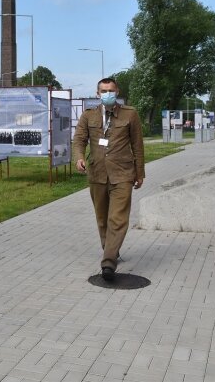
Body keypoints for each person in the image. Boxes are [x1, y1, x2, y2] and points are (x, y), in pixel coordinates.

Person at [73, 78, 145, 281]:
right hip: (97, 174)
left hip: (122, 174)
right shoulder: (89, 115)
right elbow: (79, 139)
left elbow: (137, 146)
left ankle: (108, 262)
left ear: (117, 91)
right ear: (98, 93)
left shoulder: (130, 114)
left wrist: (140, 173)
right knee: (102, 218)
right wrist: (79, 157)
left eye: (111, 90)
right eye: (103, 91)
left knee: (118, 218)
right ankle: (110, 249)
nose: (107, 94)